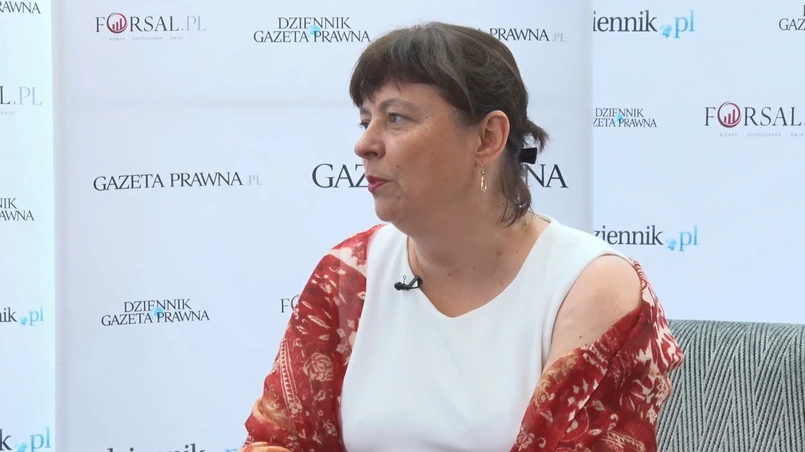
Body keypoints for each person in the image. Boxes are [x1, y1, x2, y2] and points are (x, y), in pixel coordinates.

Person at [240, 22, 684, 452]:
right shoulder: (349, 273)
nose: (365, 145)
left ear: (487, 138)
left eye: (396, 118)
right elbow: (278, 440)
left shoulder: (591, 286)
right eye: (365, 121)